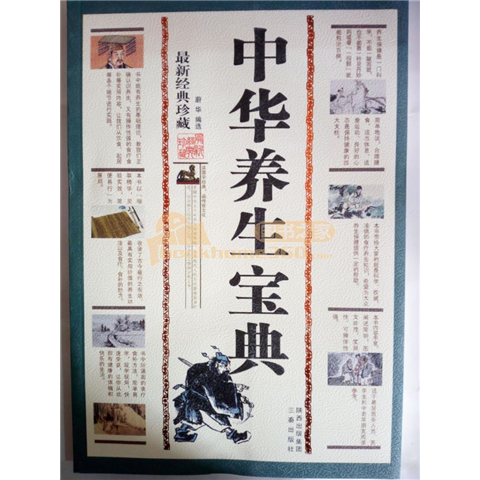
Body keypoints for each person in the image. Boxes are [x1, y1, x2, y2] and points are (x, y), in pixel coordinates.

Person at [173, 352, 252, 444]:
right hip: (191, 401)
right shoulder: (205, 377)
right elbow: (216, 403)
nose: (228, 369)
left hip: (197, 399)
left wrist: (234, 387)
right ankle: (234, 436)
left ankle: (181, 434)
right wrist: (232, 409)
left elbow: (220, 387)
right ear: (218, 364)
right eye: (225, 366)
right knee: (211, 414)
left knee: (199, 412)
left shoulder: (216, 374)